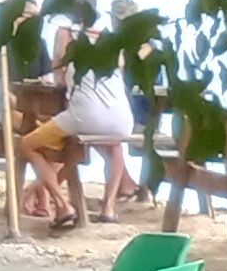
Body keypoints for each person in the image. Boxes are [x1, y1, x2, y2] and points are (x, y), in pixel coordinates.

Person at [21, 39, 141, 228]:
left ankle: (62, 205)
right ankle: (108, 208)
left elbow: (60, 83)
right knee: (115, 146)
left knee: (27, 144)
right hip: (122, 119)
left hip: (85, 117)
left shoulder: (73, 55)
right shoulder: (114, 54)